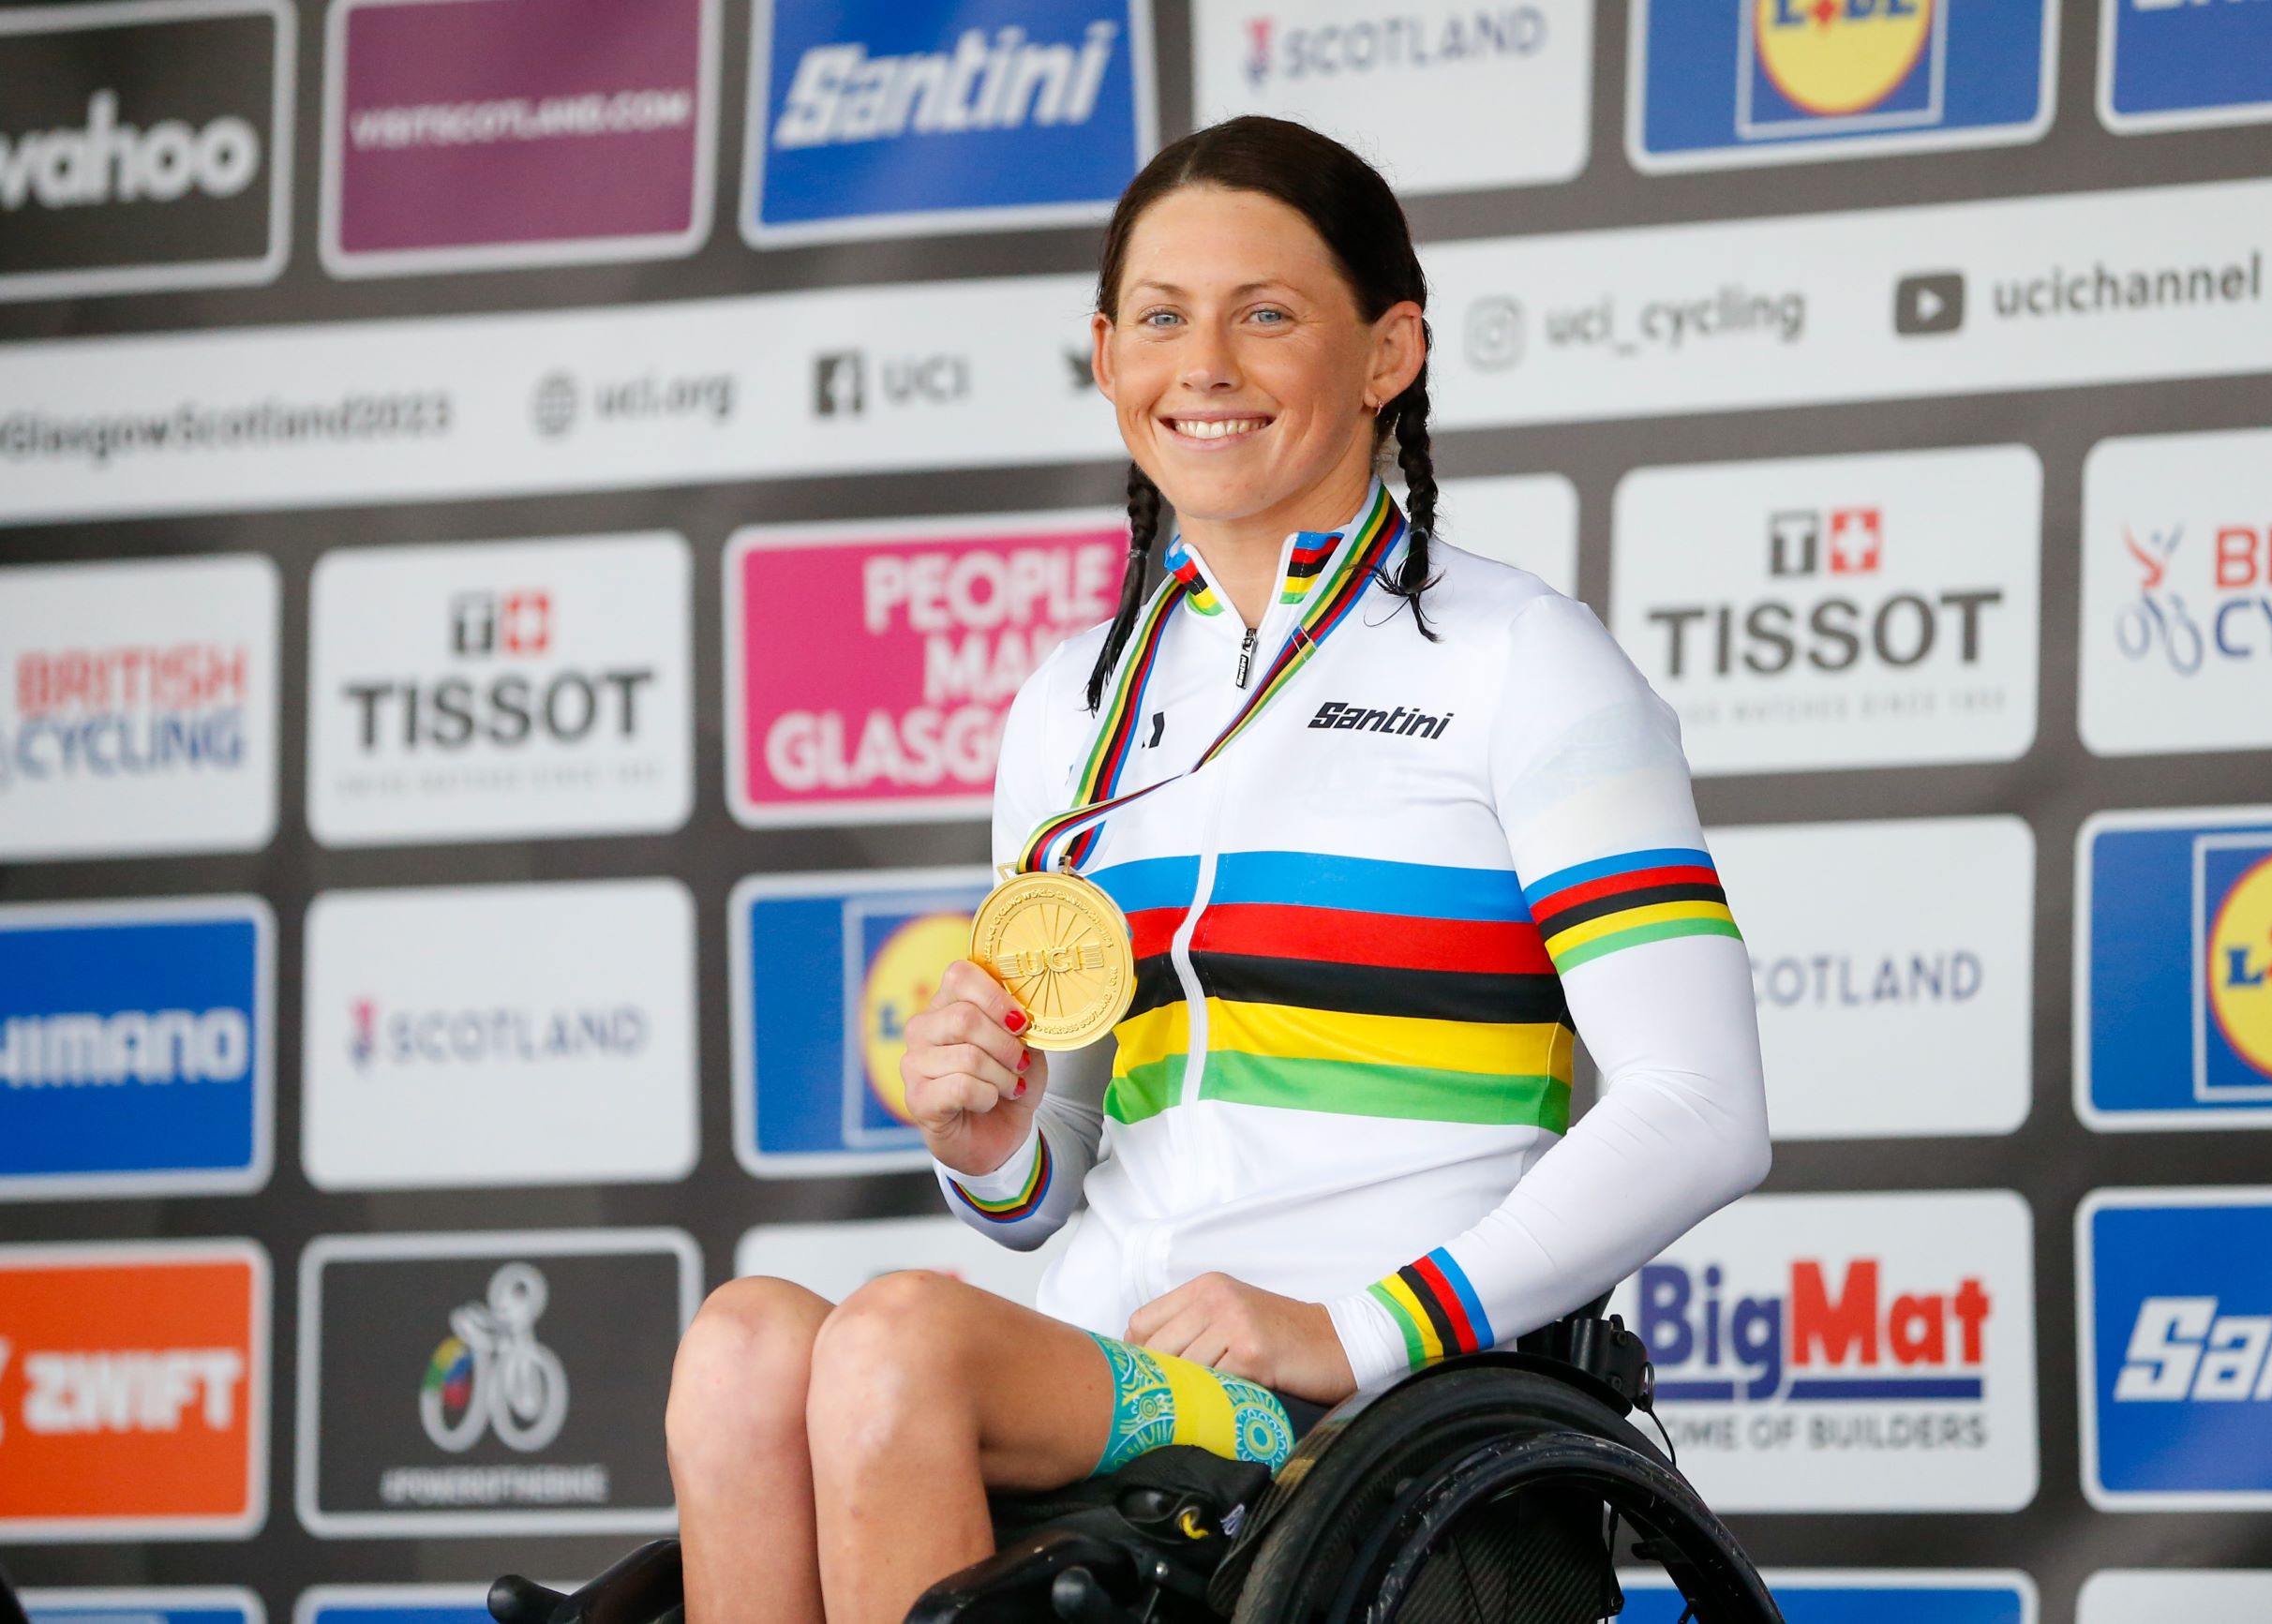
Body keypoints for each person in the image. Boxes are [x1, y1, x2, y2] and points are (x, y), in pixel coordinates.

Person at [662, 115, 1770, 1624]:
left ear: (1388, 354)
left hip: (1356, 1417)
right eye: (1164, 318)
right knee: (738, 1345)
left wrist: (1357, 1327)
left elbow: (1702, 1111)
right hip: (1106, 1362)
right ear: (1106, 353)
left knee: (898, 1340)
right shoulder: (1071, 701)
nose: (1207, 365)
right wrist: (989, 1143)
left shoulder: (1525, 662)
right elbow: (1045, 1182)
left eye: (1267, 314)